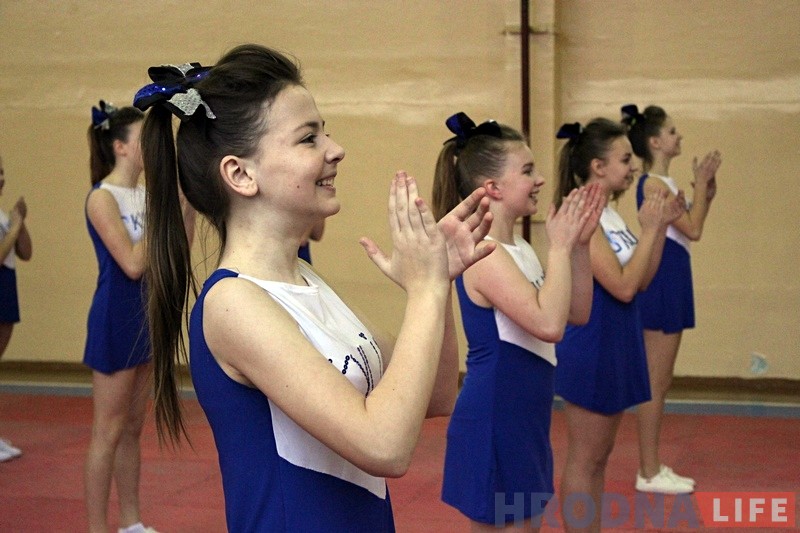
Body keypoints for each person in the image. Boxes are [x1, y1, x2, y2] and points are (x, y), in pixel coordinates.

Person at [134, 44, 494, 532]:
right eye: (309, 139)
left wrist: (436, 283)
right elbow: (384, 447)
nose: (335, 149)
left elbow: (434, 396)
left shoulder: (305, 280)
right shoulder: (233, 303)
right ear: (241, 174)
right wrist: (425, 290)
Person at [431, 112, 602, 531]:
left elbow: (575, 312)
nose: (540, 179)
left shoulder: (519, 246)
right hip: (495, 415)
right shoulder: (484, 252)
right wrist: (559, 248)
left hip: (525, 415)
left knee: (528, 525)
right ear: (493, 188)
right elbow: (548, 325)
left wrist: (578, 245)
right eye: (527, 170)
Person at [552, 118, 682, 532]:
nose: (633, 167)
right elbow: (623, 287)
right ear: (597, 166)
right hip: (593, 341)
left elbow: (642, 280)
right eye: (625, 159)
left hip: (618, 340)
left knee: (601, 455)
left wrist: (657, 229)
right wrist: (648, 230)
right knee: (585, 456)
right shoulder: (582, 212)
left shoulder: (608, 212)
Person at [621, 104, 721, 494]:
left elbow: (693, 225)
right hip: (662, 278)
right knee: (655, 381)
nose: (679, 137)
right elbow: (692, 229)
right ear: (655, 141)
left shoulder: (665, 182)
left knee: (661, 379)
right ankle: (648, 470)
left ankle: (652, 465)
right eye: (673, 131)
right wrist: (699, 185)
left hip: (674, 274)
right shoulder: (654, 184)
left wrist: (704, 193)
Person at [83, 101, 158, 533]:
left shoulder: (147, 195)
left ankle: (131, 522)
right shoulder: (101, 197)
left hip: (146, 315)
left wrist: (181, 204)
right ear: (121, 147)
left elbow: (173, 248)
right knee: (107, 431)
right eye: (143, 137)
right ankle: (96, 528)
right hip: (116, 314)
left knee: (133, 427)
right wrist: (162, 213)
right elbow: (132, 263)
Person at [0, 153, 32, 463]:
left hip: (6, 285)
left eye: (2, 171)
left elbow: (25, 252)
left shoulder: (3, 214)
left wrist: (20, 224)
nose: (1, 179)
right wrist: (13, 227)